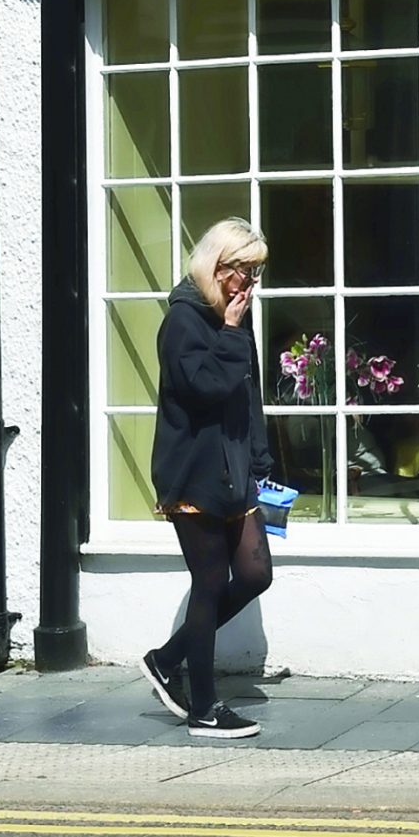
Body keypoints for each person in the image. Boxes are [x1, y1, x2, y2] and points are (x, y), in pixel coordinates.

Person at [138, 218, 274, 739]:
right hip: (193, 473)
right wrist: (234, 334)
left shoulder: (233, 318)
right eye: (242, 271)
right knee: (211, 581)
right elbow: (207, 388)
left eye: (255, 273)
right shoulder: (184, 321)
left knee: (256, 574)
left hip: (235, 468)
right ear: (216, 266)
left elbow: (246, 394)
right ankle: (204, 708)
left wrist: (259, 458)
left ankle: (166, 659)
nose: (248, 284)